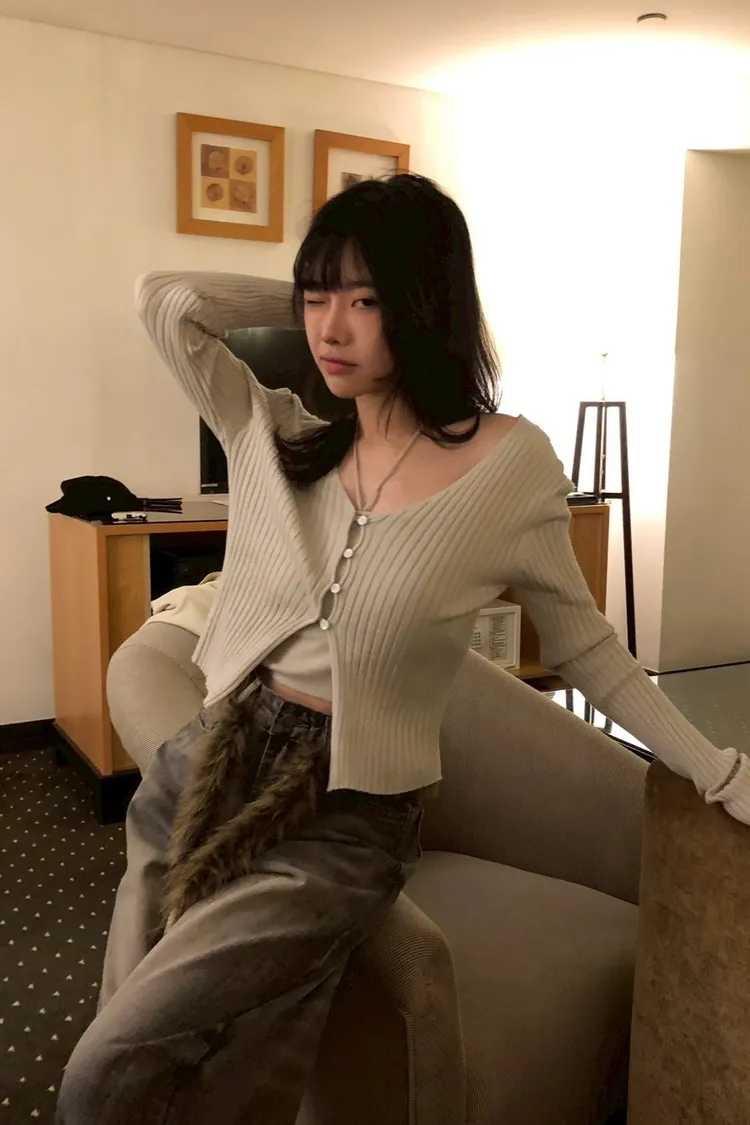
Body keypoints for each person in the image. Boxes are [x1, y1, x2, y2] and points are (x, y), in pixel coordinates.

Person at [57, 173, 750, 1124]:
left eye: (367, 300)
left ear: (427, 303)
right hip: (208, 761)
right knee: (161, 1043)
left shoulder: (512, 465)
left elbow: (588, 647)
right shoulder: (277, 434)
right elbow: (165, 302)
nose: (331, 328)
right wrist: (315, 292)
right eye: (319, 298)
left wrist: (715, 768)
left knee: (106, 1069)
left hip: (342, 815)